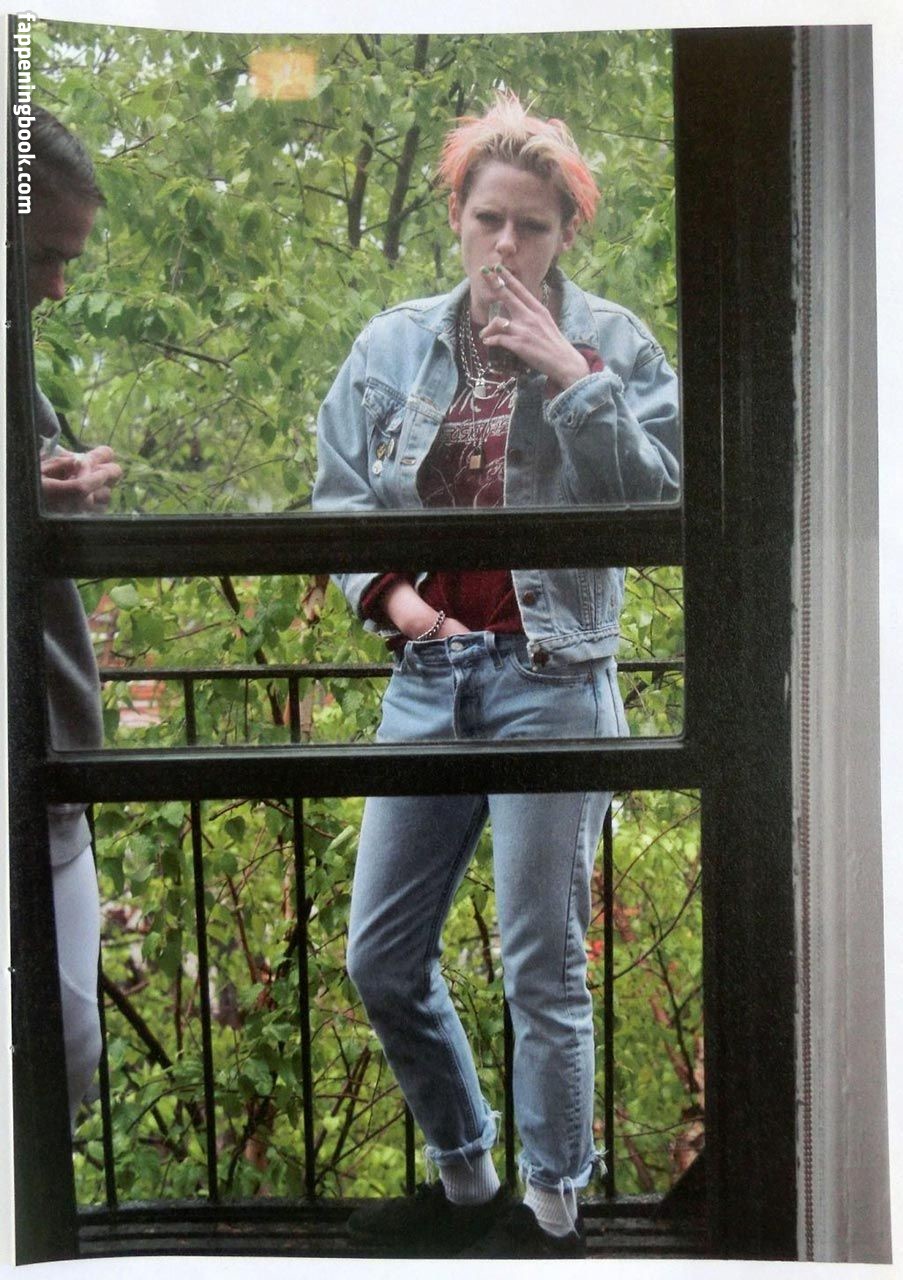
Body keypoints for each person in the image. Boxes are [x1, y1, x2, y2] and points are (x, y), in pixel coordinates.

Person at [313, 92, 679, 1258]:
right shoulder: (391, 346)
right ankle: (467, 1178)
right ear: (457, 220)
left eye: (533, 224)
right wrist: (396, 599)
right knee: (381, 954)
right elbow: (339, 501)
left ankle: (551, 1212)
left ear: (566, 234)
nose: (507, 245)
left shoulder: (615, 343)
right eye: (489, 219)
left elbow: (661, 502)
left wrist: (571, 374)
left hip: (552, 676)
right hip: (429, 676)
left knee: (542, 966)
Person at [24, 106, 121, 1129]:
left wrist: (64, 482)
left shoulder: (17, 364)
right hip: (34, 752)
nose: (57, 287)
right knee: (59, 1051)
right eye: (44, 256)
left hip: (50, 755)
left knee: (70, 1050)